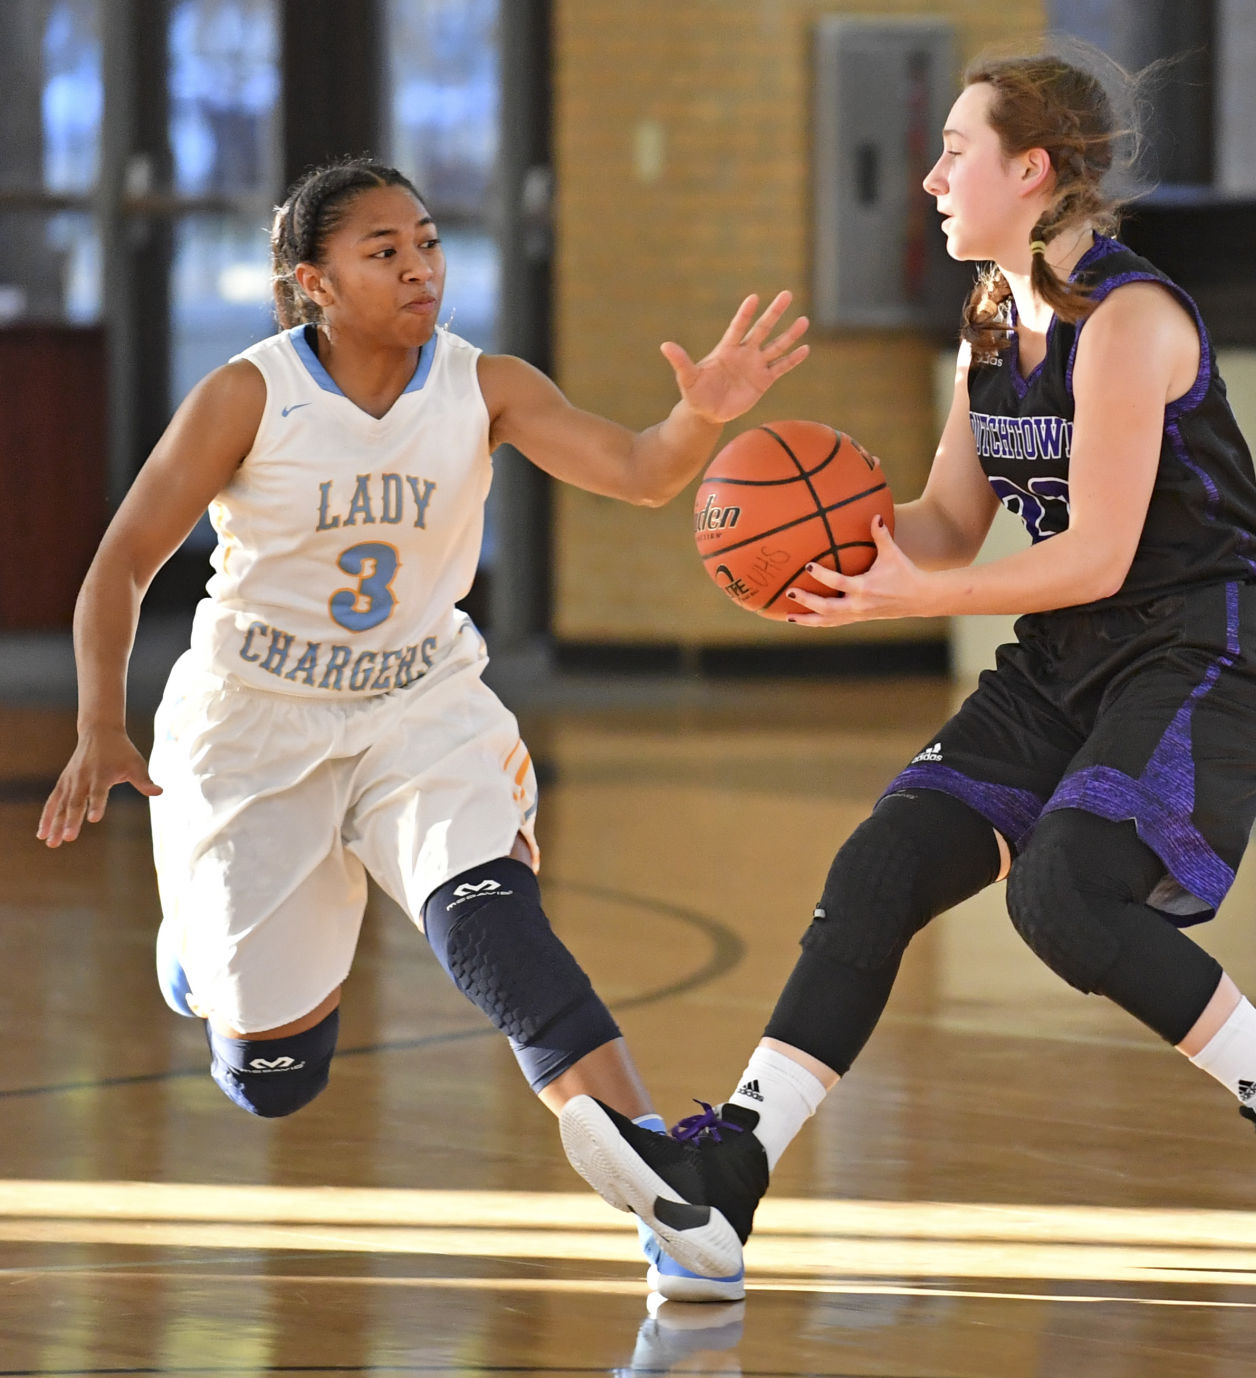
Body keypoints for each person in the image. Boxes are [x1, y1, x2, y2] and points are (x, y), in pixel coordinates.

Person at [558, 49, 1256, 1284]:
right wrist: (798, 539)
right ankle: (726, 1175)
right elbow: (947, 524)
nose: (932, 174)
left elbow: (1102, 554)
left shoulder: (1129, 321)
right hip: (1072, 650)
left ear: (1031, 169)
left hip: (1199, 641)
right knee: (883, 860)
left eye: (956, 150)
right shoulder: (994, 318)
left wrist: (924, 592)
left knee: (1062, 895)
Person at [35, 158, 807, 1304]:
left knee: (486, 915)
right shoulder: (248, 396)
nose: (419, 268)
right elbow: (123, 562)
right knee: (276, 1080)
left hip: (418, 704)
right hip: (254, 726)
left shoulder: (483, 385)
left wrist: (701, 413)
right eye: (382, 251)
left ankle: (661, 1170)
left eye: (429, 242)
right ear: (315, 284)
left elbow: (643, 472)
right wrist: (101, 721)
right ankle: (199, 954)